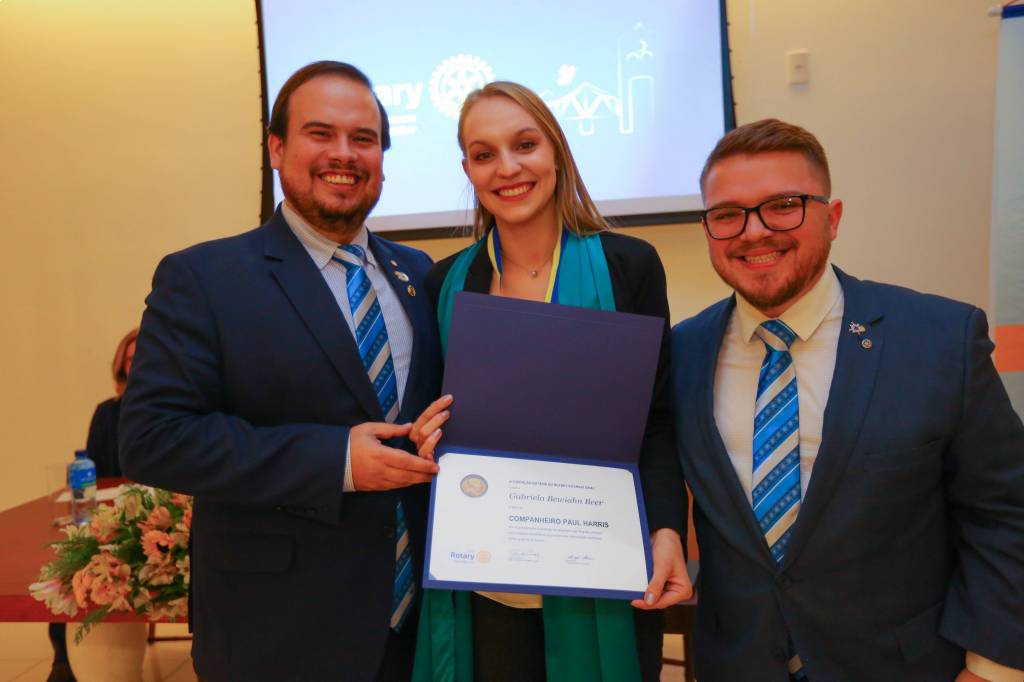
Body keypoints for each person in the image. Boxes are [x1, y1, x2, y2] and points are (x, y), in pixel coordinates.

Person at [119, 61, 444, 681]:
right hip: (276, 632)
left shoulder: (420, 273)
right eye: (320, 134)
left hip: (419, 630)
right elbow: (153, 439)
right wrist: (336, 461)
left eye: (363, 138)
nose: (343, 154)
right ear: (276, 148)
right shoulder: (204, 278)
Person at [671, 118, 1024, 681]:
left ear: (832, 218)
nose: (754, 231)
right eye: (727, 214)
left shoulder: (939, 339)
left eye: (783, 206)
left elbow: (1005, 512)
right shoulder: (681, 352)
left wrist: (991, 669)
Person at [412, 81, 691, 682]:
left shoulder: (629, 266)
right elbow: (430, 427)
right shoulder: (444, 286)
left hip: (606, 569)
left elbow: (657, 420)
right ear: (468, 171)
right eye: (484, 154)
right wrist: (427, 435)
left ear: (556, 152)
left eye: (525, 145)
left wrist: (667, 529)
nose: (507, 168)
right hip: (485, 585)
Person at [47, 327, 139, 682]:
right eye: (130, 359)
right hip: (113, 515)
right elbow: (93, 474)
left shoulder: (179, 412)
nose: (136, 365)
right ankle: (63, 658)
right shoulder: (107, 413)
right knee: (72, 558)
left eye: (144, 357)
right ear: (121, 367)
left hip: (161, 515)